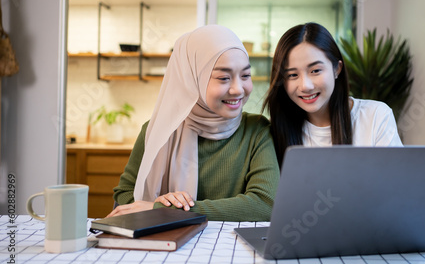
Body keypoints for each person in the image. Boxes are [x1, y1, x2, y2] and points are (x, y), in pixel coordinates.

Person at [107, 25, 280, 221]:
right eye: (224, 78)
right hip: (165, 247)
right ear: (192, 79)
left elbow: (265, 204)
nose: (238, 89)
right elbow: (125, 196)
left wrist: (171, 210)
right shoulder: (157, 130)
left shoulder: (256, 130)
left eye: (245, 76)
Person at [263, 22, 403, 166]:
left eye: (315, 71)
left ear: (337, 69)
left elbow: (396, 183)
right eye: (292, 75)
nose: (306, 86)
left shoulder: (376, 116)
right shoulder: (275, 131)